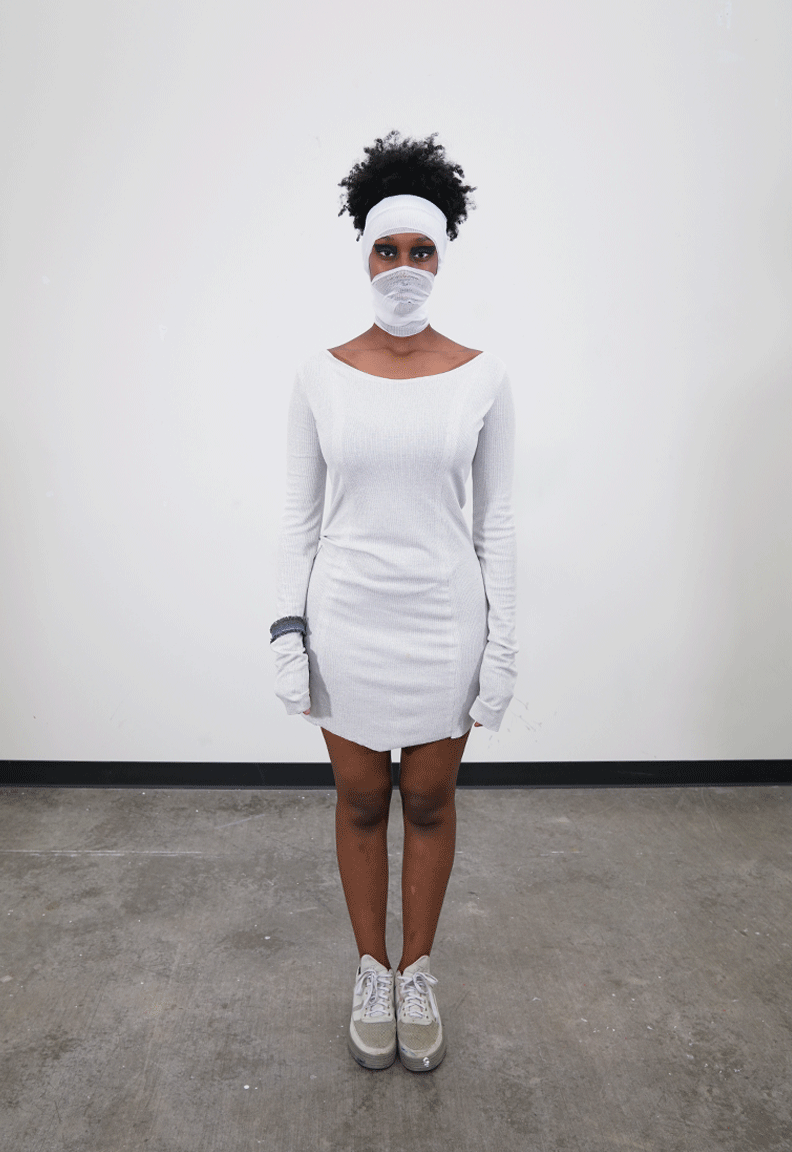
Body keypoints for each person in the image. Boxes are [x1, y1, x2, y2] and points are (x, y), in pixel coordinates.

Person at [270, 129, 518, 1072]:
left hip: (445, 622)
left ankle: (418, 970)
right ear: (364, 255)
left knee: (429, 797)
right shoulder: (320, 375)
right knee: (363, 798)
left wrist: (504, 648)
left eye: (421, 251)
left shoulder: (483, 375)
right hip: (348, 620)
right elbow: (298, 520)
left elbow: (497, 524)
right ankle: (371, 968)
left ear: (442, 258)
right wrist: (286, 634)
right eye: (388, 250)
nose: (404, 267)